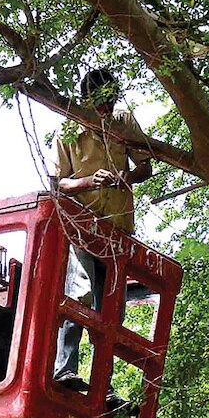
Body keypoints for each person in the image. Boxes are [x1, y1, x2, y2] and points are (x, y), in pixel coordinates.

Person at [50, 68, 152, 400]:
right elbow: (58, 184)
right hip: (83, 227)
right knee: (78, 295)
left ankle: (102, 385)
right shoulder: (67, 127)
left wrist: (126, 176)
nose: (104, 114)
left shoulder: (124, 122)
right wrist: (88, 182)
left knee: (112, 310)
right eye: (99, 107)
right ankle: (64, 369)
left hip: (118, 229)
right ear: (86, 102)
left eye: (109, 106)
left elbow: (146, 167)